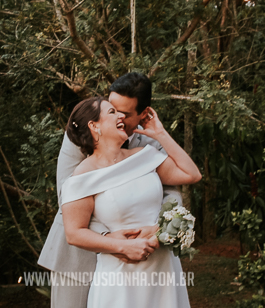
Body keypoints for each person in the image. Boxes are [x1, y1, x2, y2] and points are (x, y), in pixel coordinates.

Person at [37, 72, 179, 307]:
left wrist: (160, 227)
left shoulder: (151, 142)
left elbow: (172, 191)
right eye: (111, 109)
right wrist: (108, 238)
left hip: (139, 262)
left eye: (124, 113)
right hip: (76, 258)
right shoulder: (80, 135)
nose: (116, 117)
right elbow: (66, 193)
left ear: (143, 114)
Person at [61, 96, 201, 308]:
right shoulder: (82, 177)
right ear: (94, 126)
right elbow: (74, 233)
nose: (121, 116)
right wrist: (122, 246)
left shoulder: (145, 156)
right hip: (120, 278)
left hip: (164, 268)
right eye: (111, 112)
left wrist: (161, 134)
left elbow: (191, 174)